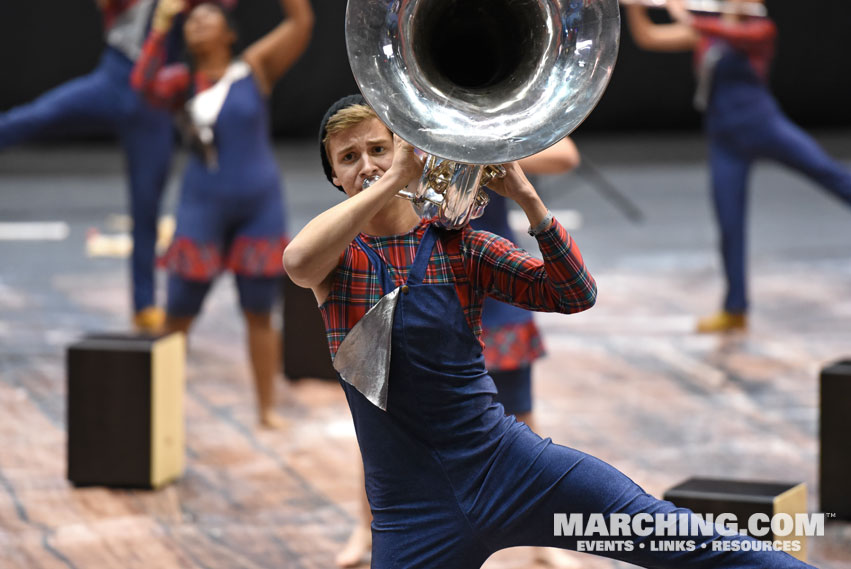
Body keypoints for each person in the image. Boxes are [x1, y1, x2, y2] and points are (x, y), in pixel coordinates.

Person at [283, 95, 814, 568]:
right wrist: (398, 177)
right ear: (334, 176)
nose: (367, 165)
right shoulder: (336, 261)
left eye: (378, 149)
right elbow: (297, 260)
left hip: (510, 469)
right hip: (411, 512)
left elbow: (573, 293)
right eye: (349, 158)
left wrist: (528, 200)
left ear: (404, 146)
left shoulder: (461, 246)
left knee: (679, 539)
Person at [333, 138, 583, 568]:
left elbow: (566, 156)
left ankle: (547, 539)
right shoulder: (402, 126)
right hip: (413, 260)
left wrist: (479, 158)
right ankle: (365, 523)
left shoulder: (504, 121)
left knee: (519, 407)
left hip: (484, 253)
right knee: (383, 409)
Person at [132, 0, 313, 427]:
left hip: (260, 205)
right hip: (202, 204)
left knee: (259, 311)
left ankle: (266, 409)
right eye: (190, 19)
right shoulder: (181, 81)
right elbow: (140, 85)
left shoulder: (255, 68)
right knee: (178, 310)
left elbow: (301, 21)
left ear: (229, 32)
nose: (196, 21)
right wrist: (161, 24)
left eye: (206, 16)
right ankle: (158, 413)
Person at [625, 0, 851, 333]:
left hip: (766, 128)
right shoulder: (707, 30)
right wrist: (635, 7)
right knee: (729, 225)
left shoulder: (759, 29)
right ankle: (735, 308)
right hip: (725, 142)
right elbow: (649, 38)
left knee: (828, 173)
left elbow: (724, 31)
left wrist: (685, 15)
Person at [0, 0, 193, 332]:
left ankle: (144, 305)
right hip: (117, 73)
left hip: (156, 95)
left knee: (146, 206)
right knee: (40, 115)